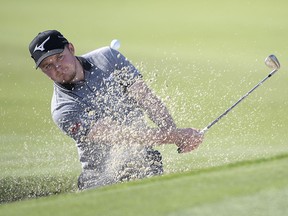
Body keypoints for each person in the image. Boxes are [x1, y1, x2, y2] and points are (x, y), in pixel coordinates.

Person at [28, 30, 204, 190]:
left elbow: (146, 99)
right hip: (101, 180)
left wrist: (172, 132)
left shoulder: (107, 57)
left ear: (71, 49)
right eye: (47, 66)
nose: (57, 67)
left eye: (59, 57)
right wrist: (176, 136)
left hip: (146, 161)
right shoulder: (62, 110)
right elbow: (120, 136)